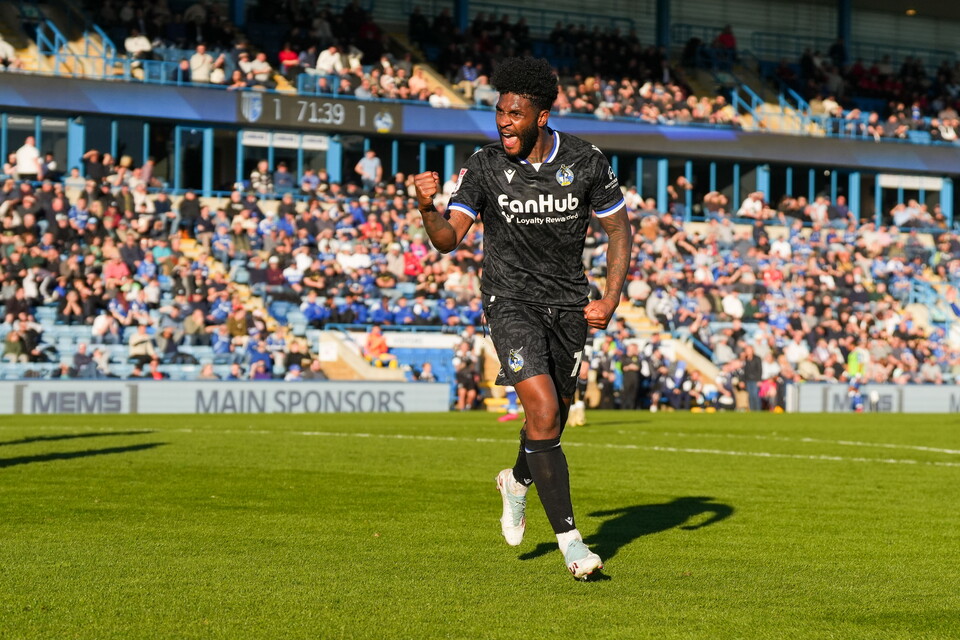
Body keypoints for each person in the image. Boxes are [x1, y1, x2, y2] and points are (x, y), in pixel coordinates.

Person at [413, 57, 631, 580]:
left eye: (514, 114)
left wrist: (610, 298)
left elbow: (619, 231)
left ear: (541, 116)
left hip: (570, 305)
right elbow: (447, 240)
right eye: (499, 113)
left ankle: (515, 481)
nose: (504, 123)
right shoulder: (484, 166)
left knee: (549, 420)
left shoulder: (586, 161)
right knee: (543, 408)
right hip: (509, 301)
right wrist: (426, 208)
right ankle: (572, 544)